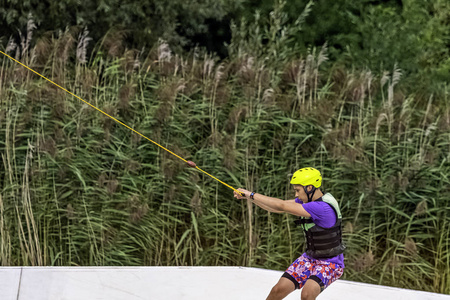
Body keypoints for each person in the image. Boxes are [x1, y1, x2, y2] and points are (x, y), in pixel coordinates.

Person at [233, 167, 345, 300]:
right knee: (277, 290)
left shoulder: (321, 207)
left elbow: (282, 206)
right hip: (310, 258)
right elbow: (276, 207)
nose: (296, 195)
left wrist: (250, 194)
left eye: (298, 190)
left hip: (331, 263)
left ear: (309, 188)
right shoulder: (309, 201)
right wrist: (248, 198)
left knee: (307, 294)